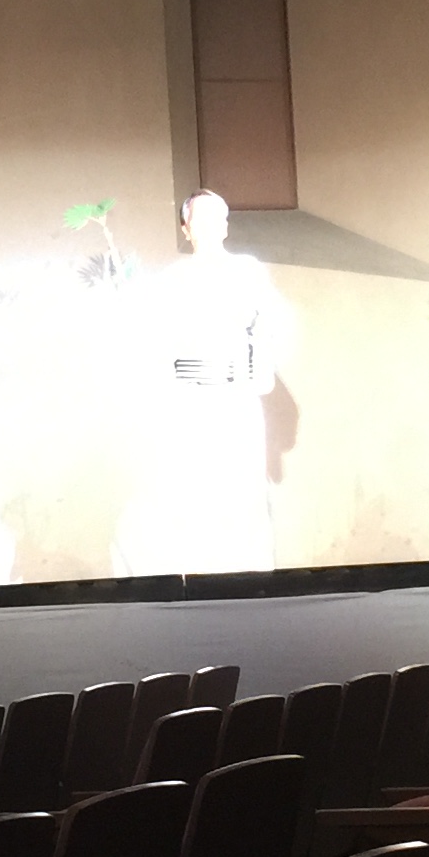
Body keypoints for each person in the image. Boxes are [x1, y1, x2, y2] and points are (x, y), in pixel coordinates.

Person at [122, 190, 292, 574]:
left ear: (226, 226)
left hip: (236, 398)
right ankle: (200, 586)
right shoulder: (171, 281)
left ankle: (251, 586)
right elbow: (156, 344)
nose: (210, 227)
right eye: (200, 220)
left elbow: (265, 329)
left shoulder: (248, 272)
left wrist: (255, 378)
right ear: (186, 229)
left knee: (243, 497)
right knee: (193, 497)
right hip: (189, 404)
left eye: (217, 219)